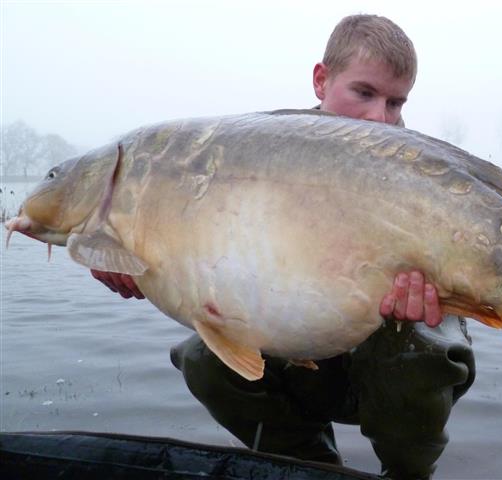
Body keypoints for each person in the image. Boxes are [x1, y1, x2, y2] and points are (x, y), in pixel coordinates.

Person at [91, 14, 475, 480]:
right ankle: (311, 467)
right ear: (321, 80)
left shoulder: (416, 171)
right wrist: (130, 260)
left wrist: (421, 308)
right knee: (202, 359)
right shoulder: (265, 152)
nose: (381, 117)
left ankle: (408, 474)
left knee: (418, 347)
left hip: (394, 363)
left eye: (395, 102)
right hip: (306, 353)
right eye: (364, 93)